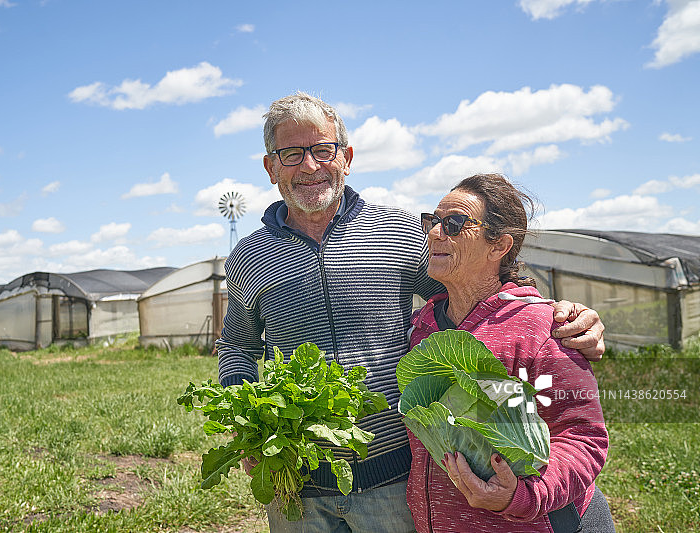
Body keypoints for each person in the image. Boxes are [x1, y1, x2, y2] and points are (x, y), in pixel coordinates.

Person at [216, 92, 606, 533]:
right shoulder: (249, 256)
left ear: (346, 157)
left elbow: (477, 287)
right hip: (297, 481)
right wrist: (250, 422)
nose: (309, 166)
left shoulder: (397, 231)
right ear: (270, 167)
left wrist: (559, 316)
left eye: (323, 150)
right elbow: (237, 344)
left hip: (396, 478)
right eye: (291, 154)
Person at [405, 173, 615, 532]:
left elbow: (583, 436)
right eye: (433, 220)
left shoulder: (542, 327)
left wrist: (521, 495)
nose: (436, 233)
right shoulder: (421, 327)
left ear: (499, 246)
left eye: (455, 223)